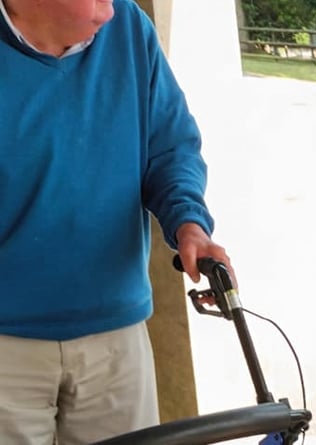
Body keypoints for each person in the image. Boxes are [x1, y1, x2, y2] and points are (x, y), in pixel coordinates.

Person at [0, 0, 234, 443]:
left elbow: (171, 148)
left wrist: (189, 223)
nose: (110, 11)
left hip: (117, 336)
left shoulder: (129, 27)